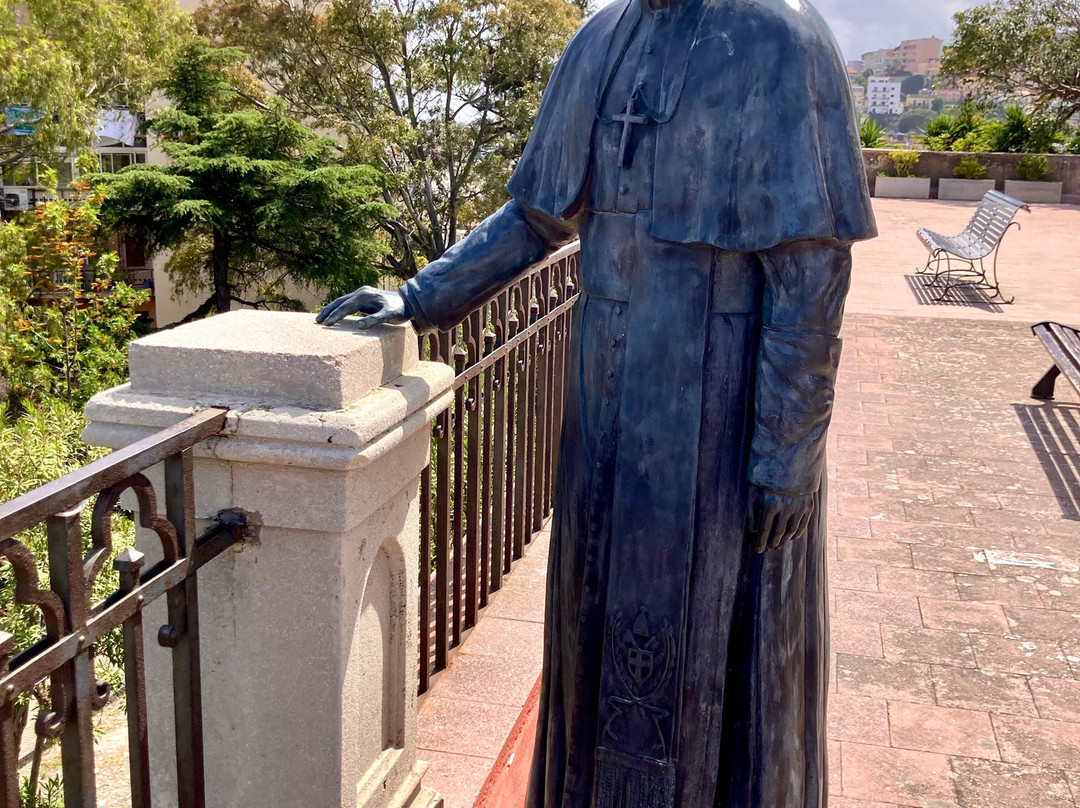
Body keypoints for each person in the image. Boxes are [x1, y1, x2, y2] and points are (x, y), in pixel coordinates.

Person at [318, 0, 876, 804]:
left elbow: (811, 274)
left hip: (720, 401)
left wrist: (786, 454)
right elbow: (536, 215)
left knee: (714, 651)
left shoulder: (780, 36)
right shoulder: (603, 35)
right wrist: (419, 296)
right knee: (593, 620)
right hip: (609, 396)